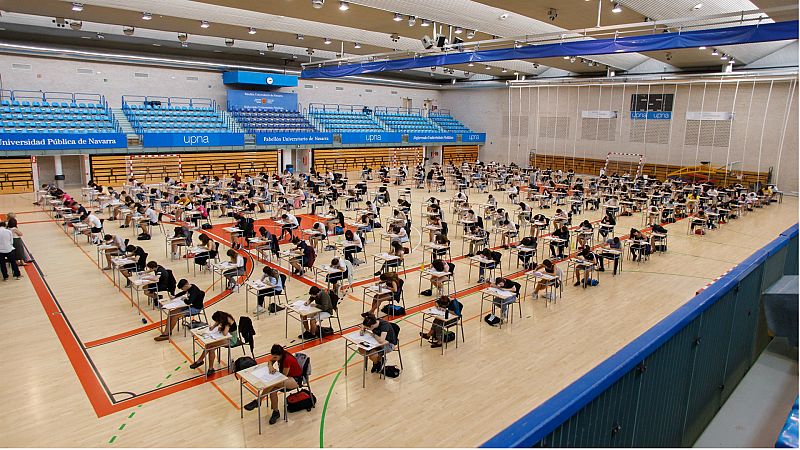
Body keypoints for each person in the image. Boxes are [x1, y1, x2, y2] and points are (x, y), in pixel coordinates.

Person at [243, 344, 304, 424]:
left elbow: (282, 376)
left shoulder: (287, 360)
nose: (274, 358)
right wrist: (271, 367)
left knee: (272, 384)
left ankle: (258, 400)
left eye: (275, 357)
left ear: (280, 355)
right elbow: (270, 361)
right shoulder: (280, 355)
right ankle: (276, 412)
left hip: (295, 380)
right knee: (272, 391)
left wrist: (272, 375)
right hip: (287, 378)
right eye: (273, 356)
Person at [188, 310, 238, 377]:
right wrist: (213, 327)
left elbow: (225, 333)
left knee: (209, 345)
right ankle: (209, 368)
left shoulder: (228, 321)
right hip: (224, 337)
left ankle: (200, 361)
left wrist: (221, 329)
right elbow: (217, 322)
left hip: (231, 339)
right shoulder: (222, 317)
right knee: (210, 348)